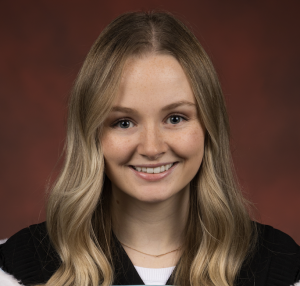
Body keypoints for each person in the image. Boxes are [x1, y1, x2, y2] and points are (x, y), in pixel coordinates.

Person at [0, 10, 299, 286]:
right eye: (124, 122)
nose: (152, 147)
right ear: (91, 133)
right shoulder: (14, 269)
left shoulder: (281, 267)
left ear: (209, 126)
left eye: (175, 118)